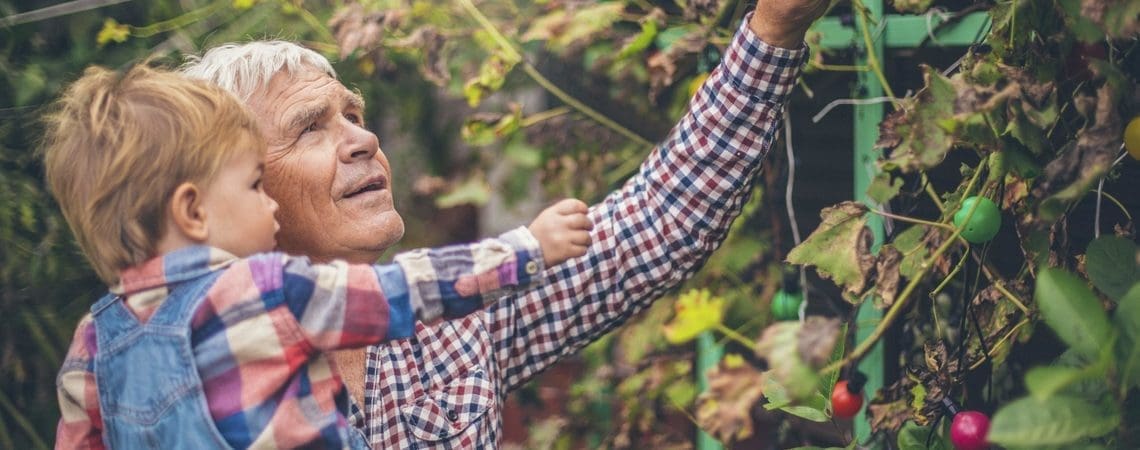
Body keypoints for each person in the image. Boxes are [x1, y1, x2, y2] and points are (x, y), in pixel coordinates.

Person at [181, 0, 828, 447]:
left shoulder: (450, 318)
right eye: (311, 129)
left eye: (353, 114)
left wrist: (772, 29)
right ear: (234, 189)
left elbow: (654, 226)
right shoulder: (189, 365)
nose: (362, 139)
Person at [46, 64, 592, 449]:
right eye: (255, 185)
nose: (269, 206)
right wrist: (527, 248)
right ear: (193, 212)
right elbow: (409, 287)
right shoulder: (267, 288)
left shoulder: (93, 344)